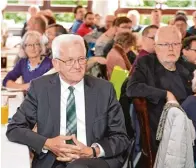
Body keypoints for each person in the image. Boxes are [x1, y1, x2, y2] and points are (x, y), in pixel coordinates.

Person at [6, 34, 129, 168]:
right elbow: (15, 128)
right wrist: (48, 143)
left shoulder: (104, 89)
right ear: (56, 64)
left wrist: (92, 151)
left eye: (81, 59)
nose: (77, 66)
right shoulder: (40, 88)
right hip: (53, 160)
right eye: (70, 60)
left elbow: (121, 138)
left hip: (94, 160)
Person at [126, 26, 193, 155]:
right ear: (156, 47)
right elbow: (132, 88)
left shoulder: (187, 67)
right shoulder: (146, 63)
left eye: (175, 44)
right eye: (165, 44)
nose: (171, 48)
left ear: (181, 46)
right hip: (163, 128)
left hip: (189, 121)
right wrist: (166, 94)